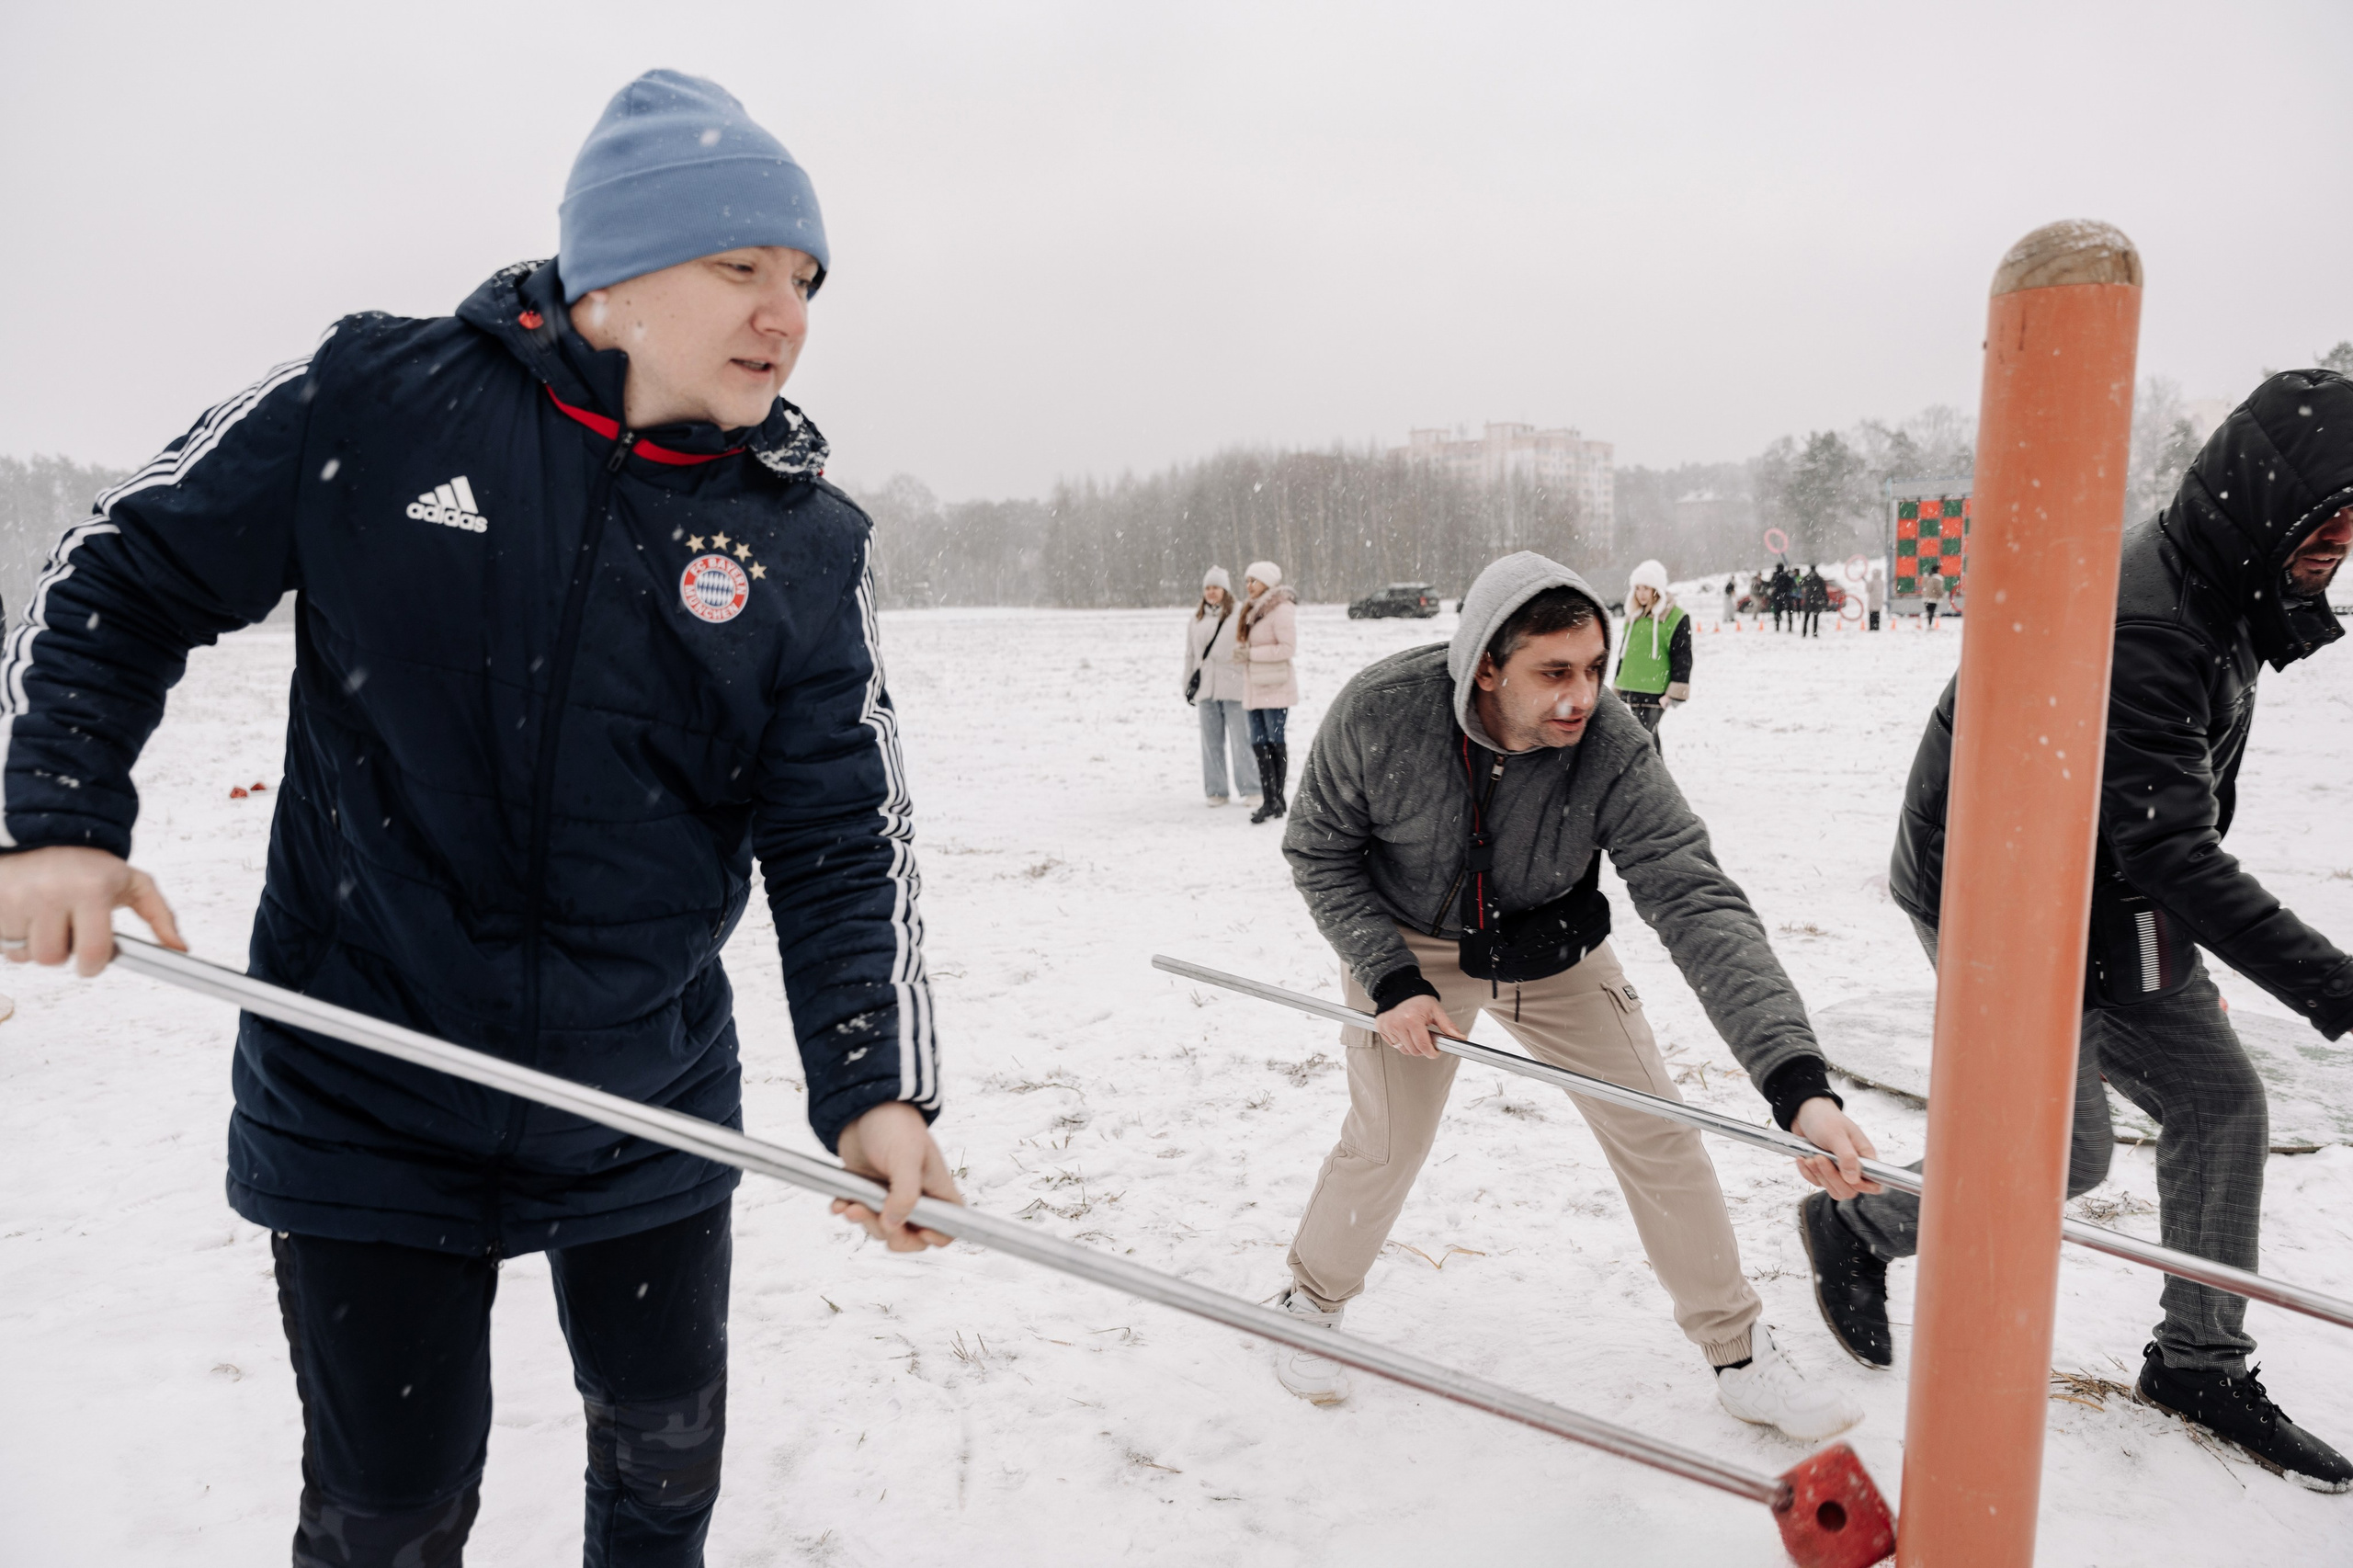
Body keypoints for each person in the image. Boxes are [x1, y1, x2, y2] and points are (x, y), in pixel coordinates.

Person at [0, 71, 962, 1565]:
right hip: (367, 1087)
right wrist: (58, 816)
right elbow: (121, 573)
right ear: (611, 273)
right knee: (390, 1511)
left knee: (662, 1475)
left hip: (643, 1098)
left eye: (806, 282)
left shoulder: (801, 540)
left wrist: (876, 1087)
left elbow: (841, 832)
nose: (786, 316)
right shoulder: (380, 402)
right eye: (742, 268)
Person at [1801, 370, 2353, 1492]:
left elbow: (2162, 821)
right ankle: (1861, 1229)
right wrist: (2331, 983)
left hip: (2102, 878)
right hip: (1996, 890)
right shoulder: (2151, 619)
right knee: (2065, 1148)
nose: (2339, 544)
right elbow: (2171, 847)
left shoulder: (2224, 580)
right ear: (2265, 498)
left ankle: (2198, 1361)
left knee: (2222, 1102)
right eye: (2325, 519)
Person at [1270, 550, 1882, 1440]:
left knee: (1659, 1133)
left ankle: (1739, 1353)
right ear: (1486, 665)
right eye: (1554, 672)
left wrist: (1799, 1085)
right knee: (1385, 1142)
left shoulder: (1610, 746)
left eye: (1594, 668)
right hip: (1410, 953)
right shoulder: (1381, 711)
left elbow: (1695, 899)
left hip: (1553, 953)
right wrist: (1391, 981)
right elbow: (1318, 850)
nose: (1582, 695)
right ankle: (1309, 1302)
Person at [1235, 560, 1299, 824]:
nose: (1249, 586)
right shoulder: (1252, 609)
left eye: (1254, 581)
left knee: (1275, 741)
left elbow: (1287, 648)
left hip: (1275, 686)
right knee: (1258, 743)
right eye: (1247, 581)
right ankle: (1269, 799)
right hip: (1255, 686)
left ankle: (1277, 799)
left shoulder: (1280, 609)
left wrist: (1251, 654)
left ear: (1267, 583)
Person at [1185, 566, 1256, 806]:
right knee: (1210, 743)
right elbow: (1190, 655)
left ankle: (1252, 788)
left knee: (1241, 741)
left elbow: (1249, 646)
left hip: (1234, 686)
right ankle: (1216, 791)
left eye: (1215, 587)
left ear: (1225, 590)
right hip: (1206, 687)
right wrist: (1187, 684)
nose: (1211, 592)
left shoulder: (1240, 613)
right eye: (1207, 588)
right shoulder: (1197, 618)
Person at [1611, 558, 1690, 751]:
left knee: (1645, 738)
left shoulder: (1676, 617)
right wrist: (1618, 682)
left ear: (1657, 589)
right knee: (1643, 738)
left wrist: (1674, 691)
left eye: (1646, 588)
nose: (1641, 594)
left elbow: (1682, 656)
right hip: (1633, 686)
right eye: (1637, 588)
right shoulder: (1634, 615)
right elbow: (1625, 652)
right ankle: (1649, 770)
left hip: (1657, 689)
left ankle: (1651, 770)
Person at [1800, 566, 1828, 637]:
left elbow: (1801, 584)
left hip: (1809, 600)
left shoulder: (1808, 578)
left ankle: (1805, 632)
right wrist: (1825, 598)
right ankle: (1813, 632)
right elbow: (1824, 590)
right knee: (1814, 617)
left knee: (1807, 617)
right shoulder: (1819, 579)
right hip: (1815, 600)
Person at [1768, 562, 1795, 632]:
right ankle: (1790, 627)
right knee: (1789, 612)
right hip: (1786, 596)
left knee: (1777, 612)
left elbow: (1772, 585)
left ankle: (1777, 627)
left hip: (1777, 596)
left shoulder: (1775, 576)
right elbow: (1792, 584)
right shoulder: (1786, 576)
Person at [1865, 563, 1886, 631]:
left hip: (1873, 601)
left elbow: (1868, 590)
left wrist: (1867, 583)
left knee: (1872, 615)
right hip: (1879, 601)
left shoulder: (1872, 582)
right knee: (1877, 615)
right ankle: (1876, 627)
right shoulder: (1881, 582)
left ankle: (1872, 627)